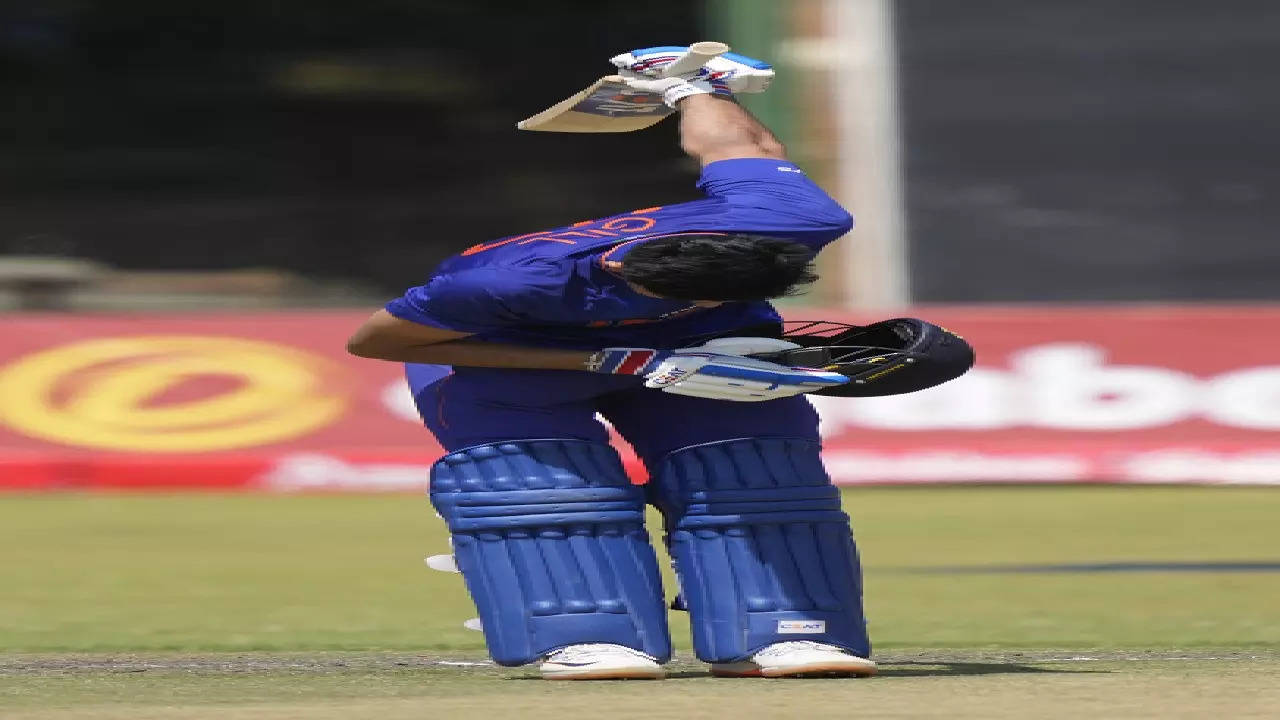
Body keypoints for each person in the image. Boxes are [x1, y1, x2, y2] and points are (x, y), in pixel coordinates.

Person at [347, 46, 878, 680]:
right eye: (686, 298)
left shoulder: (789, 220)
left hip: (696, 354)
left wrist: (695, 90)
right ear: (625, 269)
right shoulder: (506, 282)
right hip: (503, 360)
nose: (697, 302)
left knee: (751, 469)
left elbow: (741, 152)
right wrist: (608, 359)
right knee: (550, 492)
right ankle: (586, 635)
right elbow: (378, 342)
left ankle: (779, 630)